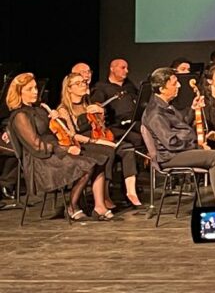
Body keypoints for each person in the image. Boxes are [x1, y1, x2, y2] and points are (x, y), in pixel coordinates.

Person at [6, 73, 110, 221]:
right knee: (86, 166)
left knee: (98, 159)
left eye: (35, 88)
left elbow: (56, 131)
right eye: (30, 89)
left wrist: (56, 118)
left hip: (54, 151)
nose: (35, 91)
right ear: (19, 92)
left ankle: (93, 205)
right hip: (41, 161)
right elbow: (37, 146)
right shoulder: (20, 116)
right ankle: (72, 206)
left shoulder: (39, 109)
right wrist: (66, 149)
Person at [142, 67, 215, 205]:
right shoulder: (155, 113)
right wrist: (197, 146)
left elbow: (182, 124)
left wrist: (193, 109)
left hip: (179, 151)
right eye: (174, 83)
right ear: (162, 89)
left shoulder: (166, 106)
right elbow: (171, 142)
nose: (179, 86)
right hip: (170, 156)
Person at [57, 72, 136, 210]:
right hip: (83, 143)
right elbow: (73, 136)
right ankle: (104, 196)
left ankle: (130, 191)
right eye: (78, 83)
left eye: (84, 82)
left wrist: (101, 113)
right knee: (108, 151)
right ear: (69, 89)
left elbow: (101, 127)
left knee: (126, 147)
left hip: (97, 138)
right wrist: (98, 142)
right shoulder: (64, 109)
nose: (83, 85)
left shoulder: (88, 104)